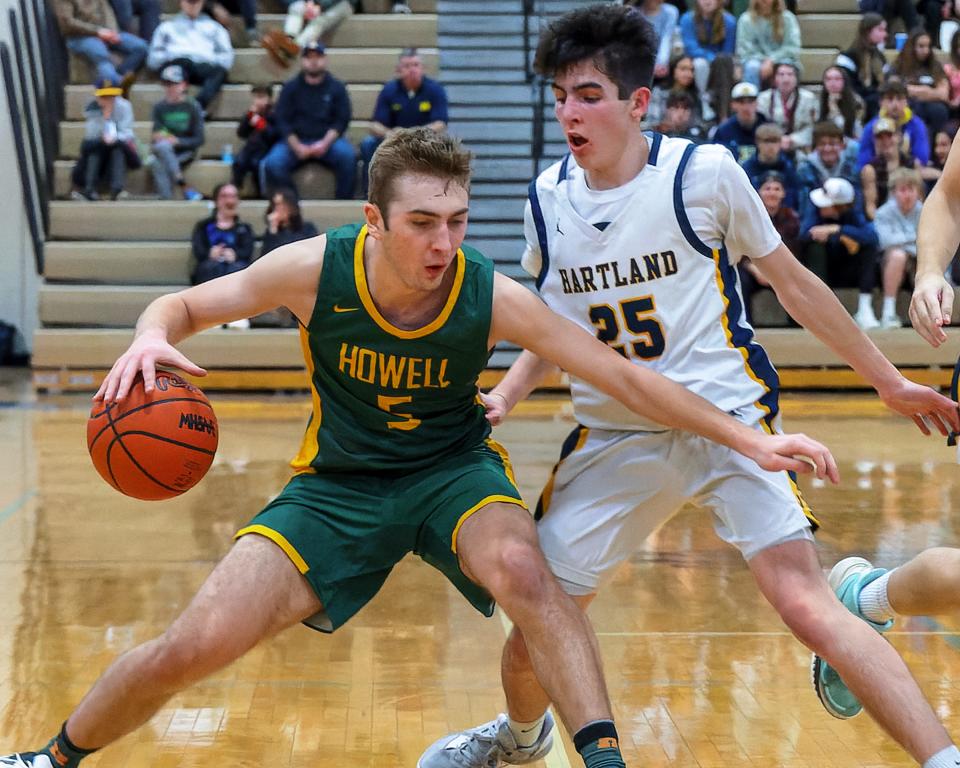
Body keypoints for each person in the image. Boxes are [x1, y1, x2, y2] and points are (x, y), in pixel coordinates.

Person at [0, 127, 841, 768]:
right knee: (194, 645)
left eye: (458, 220)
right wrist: (148, 335)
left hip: (455, 472)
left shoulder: (488, 292)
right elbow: (182, 307)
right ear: (373, 219)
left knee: (525, 574)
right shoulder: (312, 269)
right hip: (338, 484)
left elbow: (624, 380)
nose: (444, 243)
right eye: (423, 223)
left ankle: (602, 758)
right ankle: (48, 757)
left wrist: (747, 439)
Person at [419, 7, 960, 768]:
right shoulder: (547, 198)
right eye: (560, 96)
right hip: (614, 436)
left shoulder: (700, 175)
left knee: (807, 606)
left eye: (588, 94)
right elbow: (551, 324)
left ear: (638, 103)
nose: (569, 112)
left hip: (732, 421)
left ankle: (942, 758)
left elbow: (796, 286)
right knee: (535, 629)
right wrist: (507, 395)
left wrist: (889, 381)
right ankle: (521, 740)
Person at [260, 41, 356, 200]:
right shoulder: (290, 88)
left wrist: (324, 144)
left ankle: (342, 203)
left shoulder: (337, 87)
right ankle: (292, 204)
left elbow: (342, 120)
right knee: (273, 163)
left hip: (328, 141)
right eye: (309, 57)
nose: (313, 61)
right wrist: (297, 146)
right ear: (302, 61)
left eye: (318, 56)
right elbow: (282, 120)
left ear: (325, 59)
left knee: (348, 157)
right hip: (295, 141)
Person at [360, 48, 449, 195]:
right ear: (399, 70)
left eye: (415, 65)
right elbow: (375, 124)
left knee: (445, 146)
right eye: (407, 66)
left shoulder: (435, 90)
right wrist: (389, 133)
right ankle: (371, 193)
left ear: (422, 68)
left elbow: (441, 123)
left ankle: (438, 194)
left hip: (425, 140)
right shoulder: (389, 90)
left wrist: (415, 133)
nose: (412, 70)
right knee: (368, 144)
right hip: (394, 140)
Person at [800, 177, 881, 329]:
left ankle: (865, 309)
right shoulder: (814, 208)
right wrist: (836, 237)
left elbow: (872, 237)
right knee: (815, 246)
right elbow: (804, 233)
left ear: (839, 207)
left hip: (849, 267)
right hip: (821, 268)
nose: (820, 205)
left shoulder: (854, 212)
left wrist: (837, 229)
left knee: (869, 248)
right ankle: (819, 311)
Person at [146, 0, 234, 111]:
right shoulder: (167, 27)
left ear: (202, 3)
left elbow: (226, 55)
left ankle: (197, 107)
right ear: (181, 2)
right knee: (180, 64)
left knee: (219, 72)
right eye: (189, 2)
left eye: (195, 2)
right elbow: (153, 58)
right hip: (177, 64)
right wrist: (169, 57)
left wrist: (211, 60)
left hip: (203, 65)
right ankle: (175, 105)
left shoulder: (214, 27)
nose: (192, 5)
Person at [739, 170, 800, 324]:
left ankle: (797, 326)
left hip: (780, 269)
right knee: (740, 278)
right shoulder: (747, 216)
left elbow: (790, 251)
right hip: (754, 270)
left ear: (783, 193)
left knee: (794, 281)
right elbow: (740, 250)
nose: (772, 193)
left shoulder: (791, 217)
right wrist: (756, 270)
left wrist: (772, 272)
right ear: (759, 192)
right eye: (767, 189)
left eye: (776, 189)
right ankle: (746, 327)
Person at [70, 76, 140, 201]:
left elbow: (127, 133)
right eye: (105, 96)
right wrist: (105, 118)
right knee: (95, 148)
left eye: (112, 96)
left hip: (119, 150)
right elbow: (90, 138)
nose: (109, 100)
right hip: (98, 151)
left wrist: (114, 138)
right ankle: (89, 189)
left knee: (118, 148)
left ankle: (117, 189)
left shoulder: (124, 106)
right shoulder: (92, 108)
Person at [53, 0, 147, 92]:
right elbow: (67, 24)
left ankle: (120, 76)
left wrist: (112, 32)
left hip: (104, 32)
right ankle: (115, 83)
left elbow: (107, 12)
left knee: (141, 47)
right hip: (80, 37)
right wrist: (97, 32)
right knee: (101, 54)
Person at [873, 167, 925, 327]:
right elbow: (885, 241)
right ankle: (888, 313)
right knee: (898, 255)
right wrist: (912, 241)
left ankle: (927, 314)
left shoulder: (924, 211)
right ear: (893, 192)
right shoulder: (883, 213)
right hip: (887, 263)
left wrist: (906, 243)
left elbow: (929, 241)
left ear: (918, 192)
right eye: (902, 190)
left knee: (926, 257)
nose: (907, 195)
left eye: (911, 189)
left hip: (917, 260)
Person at [149, 64, 204, 201]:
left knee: (158, 162)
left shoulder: (193, 106)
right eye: (167, 84)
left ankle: (166, 200)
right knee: (161, 148)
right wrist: (159, 136)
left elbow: (199, 139)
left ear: (184, 85)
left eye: (173, 84)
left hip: (186, 150)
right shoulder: (159, 107)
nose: (170, 88)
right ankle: (181, 183)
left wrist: (178, 141)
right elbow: (157, 132)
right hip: (166, 148)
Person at [890, 28, 951, 142]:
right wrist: (929, 91)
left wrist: (916, 91)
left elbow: (944, 94)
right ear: (912, 46)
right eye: (921, 46)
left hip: (935, 109)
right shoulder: (899, 66)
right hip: (911, 106)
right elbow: (896, 89)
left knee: (939, 110)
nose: (925, 50)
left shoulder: (935, 66)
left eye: (928, 46)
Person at [191, 182, 255, 286]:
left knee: (237, 269)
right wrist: (210, 254)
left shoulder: (244, 228)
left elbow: (247, 252)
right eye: (224, 196)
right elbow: (198, 250)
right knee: (209, 268)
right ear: (216, 201)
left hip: (235, 268)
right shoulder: (203, 226)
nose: (229, 201)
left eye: (233, 196)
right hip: (210, 269)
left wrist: (235, 255)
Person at [260, 0, 357, 68]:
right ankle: (288, 40)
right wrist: (308, 3)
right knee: (296, 7)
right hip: (313, 3)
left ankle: (294, 48)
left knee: (319, 21)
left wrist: (319, 5)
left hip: (342, 4)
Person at [858, 79, 931, 169]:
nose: (895, 104)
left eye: (899, 99)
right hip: (879, 173)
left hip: (909, 173)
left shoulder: (917, 125)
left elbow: (922, 159)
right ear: (881, 102)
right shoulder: (871, 127)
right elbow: (863, 162)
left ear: (906, 101)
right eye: (890, 99)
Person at [796, 121, 862, 220]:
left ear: (841, 145)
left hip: (847, 219)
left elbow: (856, 206)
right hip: (816, 219)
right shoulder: (805, 169)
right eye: (822, 144)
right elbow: (806, 209)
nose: (827, 149)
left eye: (832, 144)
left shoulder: (851, 168)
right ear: (815, 147)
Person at [861, 117, 920, 220]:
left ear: (898, 137)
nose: (885, 141)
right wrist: (884, 224)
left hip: (910, 217)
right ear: (874, 141)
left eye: (889, 135)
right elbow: (870, 206)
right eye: (880, 137)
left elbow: (919, 198)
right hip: (882, 218)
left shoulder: (913, 164)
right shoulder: (869, 170)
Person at [735, 0, 800, 89]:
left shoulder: (788, 18)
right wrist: (764, 62)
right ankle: (751, 100)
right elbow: (744, 49)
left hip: (783, 59)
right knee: (752, 67)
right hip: (754, 60)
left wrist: (771, 60)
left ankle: (783, 102)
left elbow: (792, 47)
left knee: (785, 70)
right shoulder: (745, 19)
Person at [757, 61, 818, 153]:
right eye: (781, 75)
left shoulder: (809, 98)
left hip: (800, 146)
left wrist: (792, 140)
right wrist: (777, 140)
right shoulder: (763, 98)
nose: (786, 79)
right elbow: (760, 126)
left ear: (796, 78)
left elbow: (812, 127)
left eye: (790, 74)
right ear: (775, 79)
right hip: (770, 145)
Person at [835, 13, 888, 121]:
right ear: (867, 31)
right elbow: (849, 87)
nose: (885, 34)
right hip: (854, 100)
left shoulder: (880, 57)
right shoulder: (847, 57)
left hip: (874, 99)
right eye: (880, 30)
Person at [678, 0, 736, 97]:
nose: (707, 1)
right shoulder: (687, 19)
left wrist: (717, 60)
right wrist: (711, 58)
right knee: (701, 64)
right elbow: (691, 48)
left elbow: (728, 51)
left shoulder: (729, 21)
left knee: (724, 63)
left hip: (721, 62)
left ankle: (724, 101)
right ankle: (703, 97)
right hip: (696, 59)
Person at [232, 84, 279, 197]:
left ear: (269, 98)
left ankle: (261, 195)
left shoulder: (274, 113)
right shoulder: (251, 113)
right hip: (250, 147)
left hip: (266, 148)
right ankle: (235, 190)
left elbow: (274, 135)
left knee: (256, 164)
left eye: (262, 97)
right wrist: (248, 117)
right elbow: (241, 133)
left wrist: (261, 124)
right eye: (256, 97)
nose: (258, 100)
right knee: (239, 162)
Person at [740, 122, 800, 209]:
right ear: (757, 142)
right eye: (766, 141)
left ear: (780, 143)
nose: (770, 146)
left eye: (774, 141)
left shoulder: (788, 166)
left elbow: (794, 195)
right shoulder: (747, 168)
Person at [643, 54, 710, 129]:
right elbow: (652, 121)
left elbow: (699, 124)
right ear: (673, 70)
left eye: (692, 70)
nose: (689, 74)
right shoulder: (659, 92)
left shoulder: (695, 95)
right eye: (683, 69)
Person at [712, 81, 769, 163]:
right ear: (733, 105)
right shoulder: (724, 130)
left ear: (757, 103)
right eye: (741, 102)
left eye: (750, 101)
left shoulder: (767, 127)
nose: (746, 107)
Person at [261, 187, 318, 255]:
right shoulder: (271, 231)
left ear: (292, 206)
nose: (279, 209)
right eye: (276, 205)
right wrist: (273, 228)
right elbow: (267, 256)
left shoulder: (308, 228)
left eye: (283, 204)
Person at [818, 65, 864, 145]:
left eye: (837, 79)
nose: (833, 83)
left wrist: (834, 109)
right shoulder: (818, 102)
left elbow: (855, 132)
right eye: (828, 79)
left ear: (844, 81)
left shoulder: (857, 102)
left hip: (849, 143)